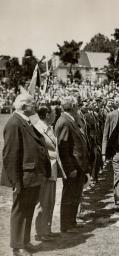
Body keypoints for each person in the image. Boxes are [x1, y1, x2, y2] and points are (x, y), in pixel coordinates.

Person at [1, 93, 51, 256]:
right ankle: (17, 246)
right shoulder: (14, 123)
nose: (35, 106)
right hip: (23, 176)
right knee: (20, 211)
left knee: (28, 209)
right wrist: (15, 182)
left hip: (32, 175)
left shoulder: (26, 121)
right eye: (32, 104)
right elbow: (10, 155)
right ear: (24, 106)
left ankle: (25, 241)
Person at [55, 96, 90, 233]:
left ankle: (72, 222)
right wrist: (70, 169)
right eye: (77, 106)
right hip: (73, 167)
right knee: (69, 196)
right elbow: (64, 150)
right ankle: (66, 225)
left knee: (75, 195)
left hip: (78, 165)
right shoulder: (64, 122)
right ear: (73, 107)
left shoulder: (70, 120)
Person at [34, 104, 62, 241]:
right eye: (54, 113)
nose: (56, 115)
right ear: (47, 115)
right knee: (43, 201)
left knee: (50, 201)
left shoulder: (49, 128)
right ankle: (40, 232)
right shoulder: (37, 129)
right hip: (44, 171)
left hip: (52, 169)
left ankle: (47, 229)